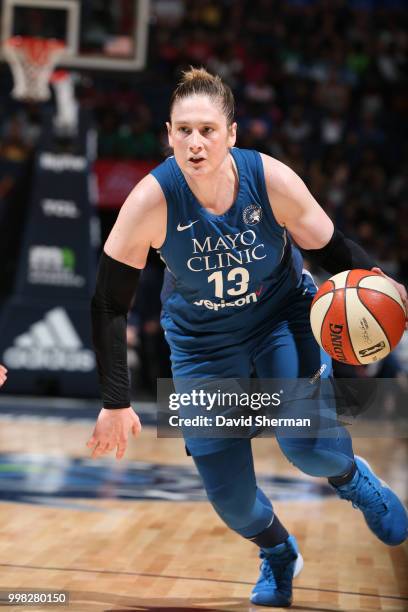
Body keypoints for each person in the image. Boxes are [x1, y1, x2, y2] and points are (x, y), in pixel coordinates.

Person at [87, 68, 408, 608]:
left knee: (306, 448)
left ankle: (354, 479)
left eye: (208, 130)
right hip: (201, 345)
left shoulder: (272, 180)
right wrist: (115, 402)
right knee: (233, 502)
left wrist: (382, 286)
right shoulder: (149, 202)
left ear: (232, 134)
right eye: (184, 130)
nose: (195, 142)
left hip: (278, 319)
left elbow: (332, 251)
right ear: (168, 134)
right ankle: (280, 552)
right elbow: (108, 303)